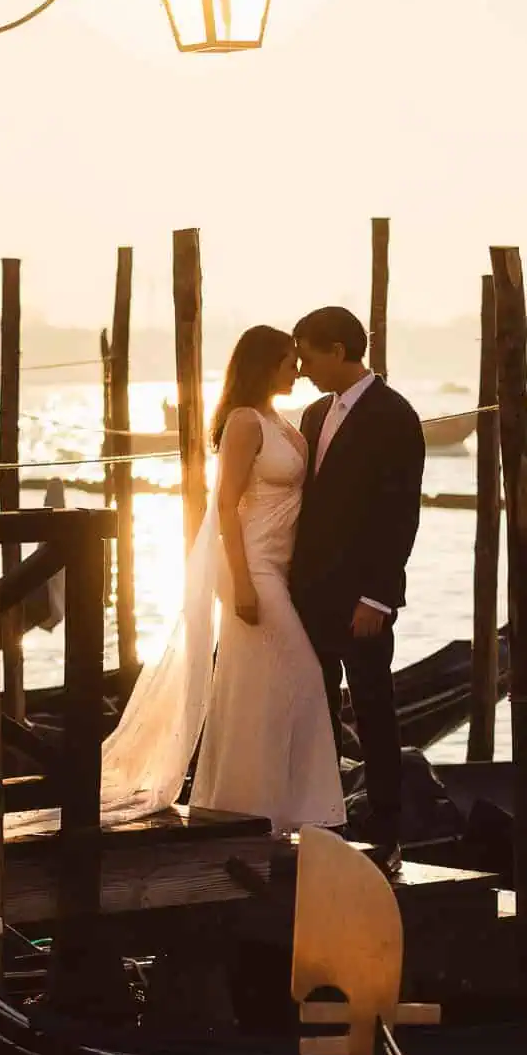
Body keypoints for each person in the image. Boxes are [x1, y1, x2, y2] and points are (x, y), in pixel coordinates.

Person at [187, 326, 347, 833]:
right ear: (263, 365)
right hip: (252, 569)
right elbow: (226, 506)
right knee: (302, 678)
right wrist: (242, 583)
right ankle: (285, 814)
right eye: (288, 361)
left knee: (266, 690)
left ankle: (267, 812)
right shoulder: (243, 422)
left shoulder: (284, 422)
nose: (297, 369)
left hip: (281, 570)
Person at [289, 307, 426, 875]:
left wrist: (378, 597)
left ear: (339, 351)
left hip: (362, 599)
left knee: (373, 712)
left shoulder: (395, 416)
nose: (301, 368)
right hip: (308, 592)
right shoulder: (315, 412)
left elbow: (400, 514)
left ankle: (388, 832)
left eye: (308, 355)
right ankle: (324, 820)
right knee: (314, 709)